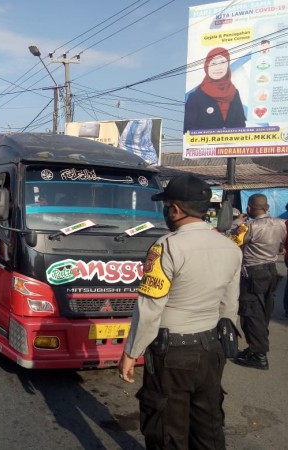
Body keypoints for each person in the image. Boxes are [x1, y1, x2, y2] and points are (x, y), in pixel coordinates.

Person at [119, 174, 242, 449]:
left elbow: (150, 309)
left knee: (167, 432)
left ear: (174, 209)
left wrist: (131, 352)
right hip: (212, 349)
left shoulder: (167, 247)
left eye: (166, 206)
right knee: (208, 427)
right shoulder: (231, 247)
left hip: (173, 354)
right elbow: (229, 305)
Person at [230, 194, 286, 369]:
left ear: (249, 208)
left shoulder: (249, 227)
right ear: (267, 207)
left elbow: (232, 241)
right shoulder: (280, 224)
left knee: (251, 313)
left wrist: (236, 223)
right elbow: (282, 244)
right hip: (271, 270)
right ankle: (256, 348)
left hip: (253, 273)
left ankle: (258, 355)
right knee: (263, 312)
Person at [184, 47, 246, 133]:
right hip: (203, 145)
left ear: (228, 65)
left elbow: (240, 123)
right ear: (207, 66)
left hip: (232, 146)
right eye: (213, 63)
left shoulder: (234, 93)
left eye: (222, 62)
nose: (218, 67)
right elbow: (188, 128)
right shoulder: (196, 97)